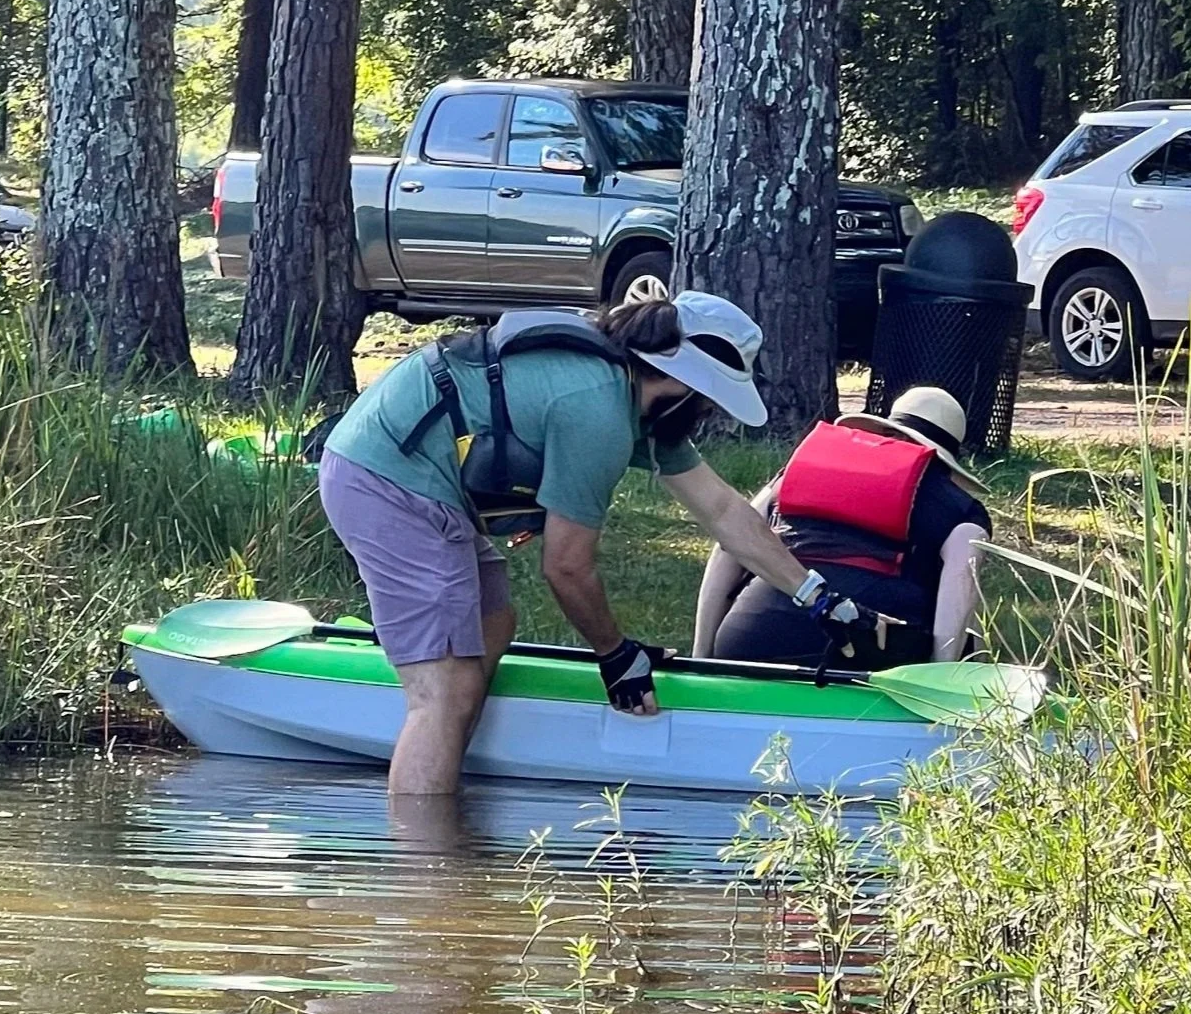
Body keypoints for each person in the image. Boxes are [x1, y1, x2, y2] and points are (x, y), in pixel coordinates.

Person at [317, 293, 867, 796]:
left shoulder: (630, 396)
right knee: (442, 691)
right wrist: (615, 655)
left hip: (408, 478)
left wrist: (819, 597)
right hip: (388, 481)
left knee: (493, 625)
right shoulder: (598, 410)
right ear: (684, 385)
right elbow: (567, 567)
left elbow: (724, 511)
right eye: (709, 401)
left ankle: (451, 758)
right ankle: (426, 866)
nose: (709, 412)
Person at [693, 386, 992, 672]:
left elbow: (729, 545)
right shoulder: (959, 508)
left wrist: (702, 656)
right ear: (944, 459)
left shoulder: (796, 475)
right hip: (869, 650)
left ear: (885, 433)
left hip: (750, 636)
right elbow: (962, 580)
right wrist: (940, 673)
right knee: (970, 631)